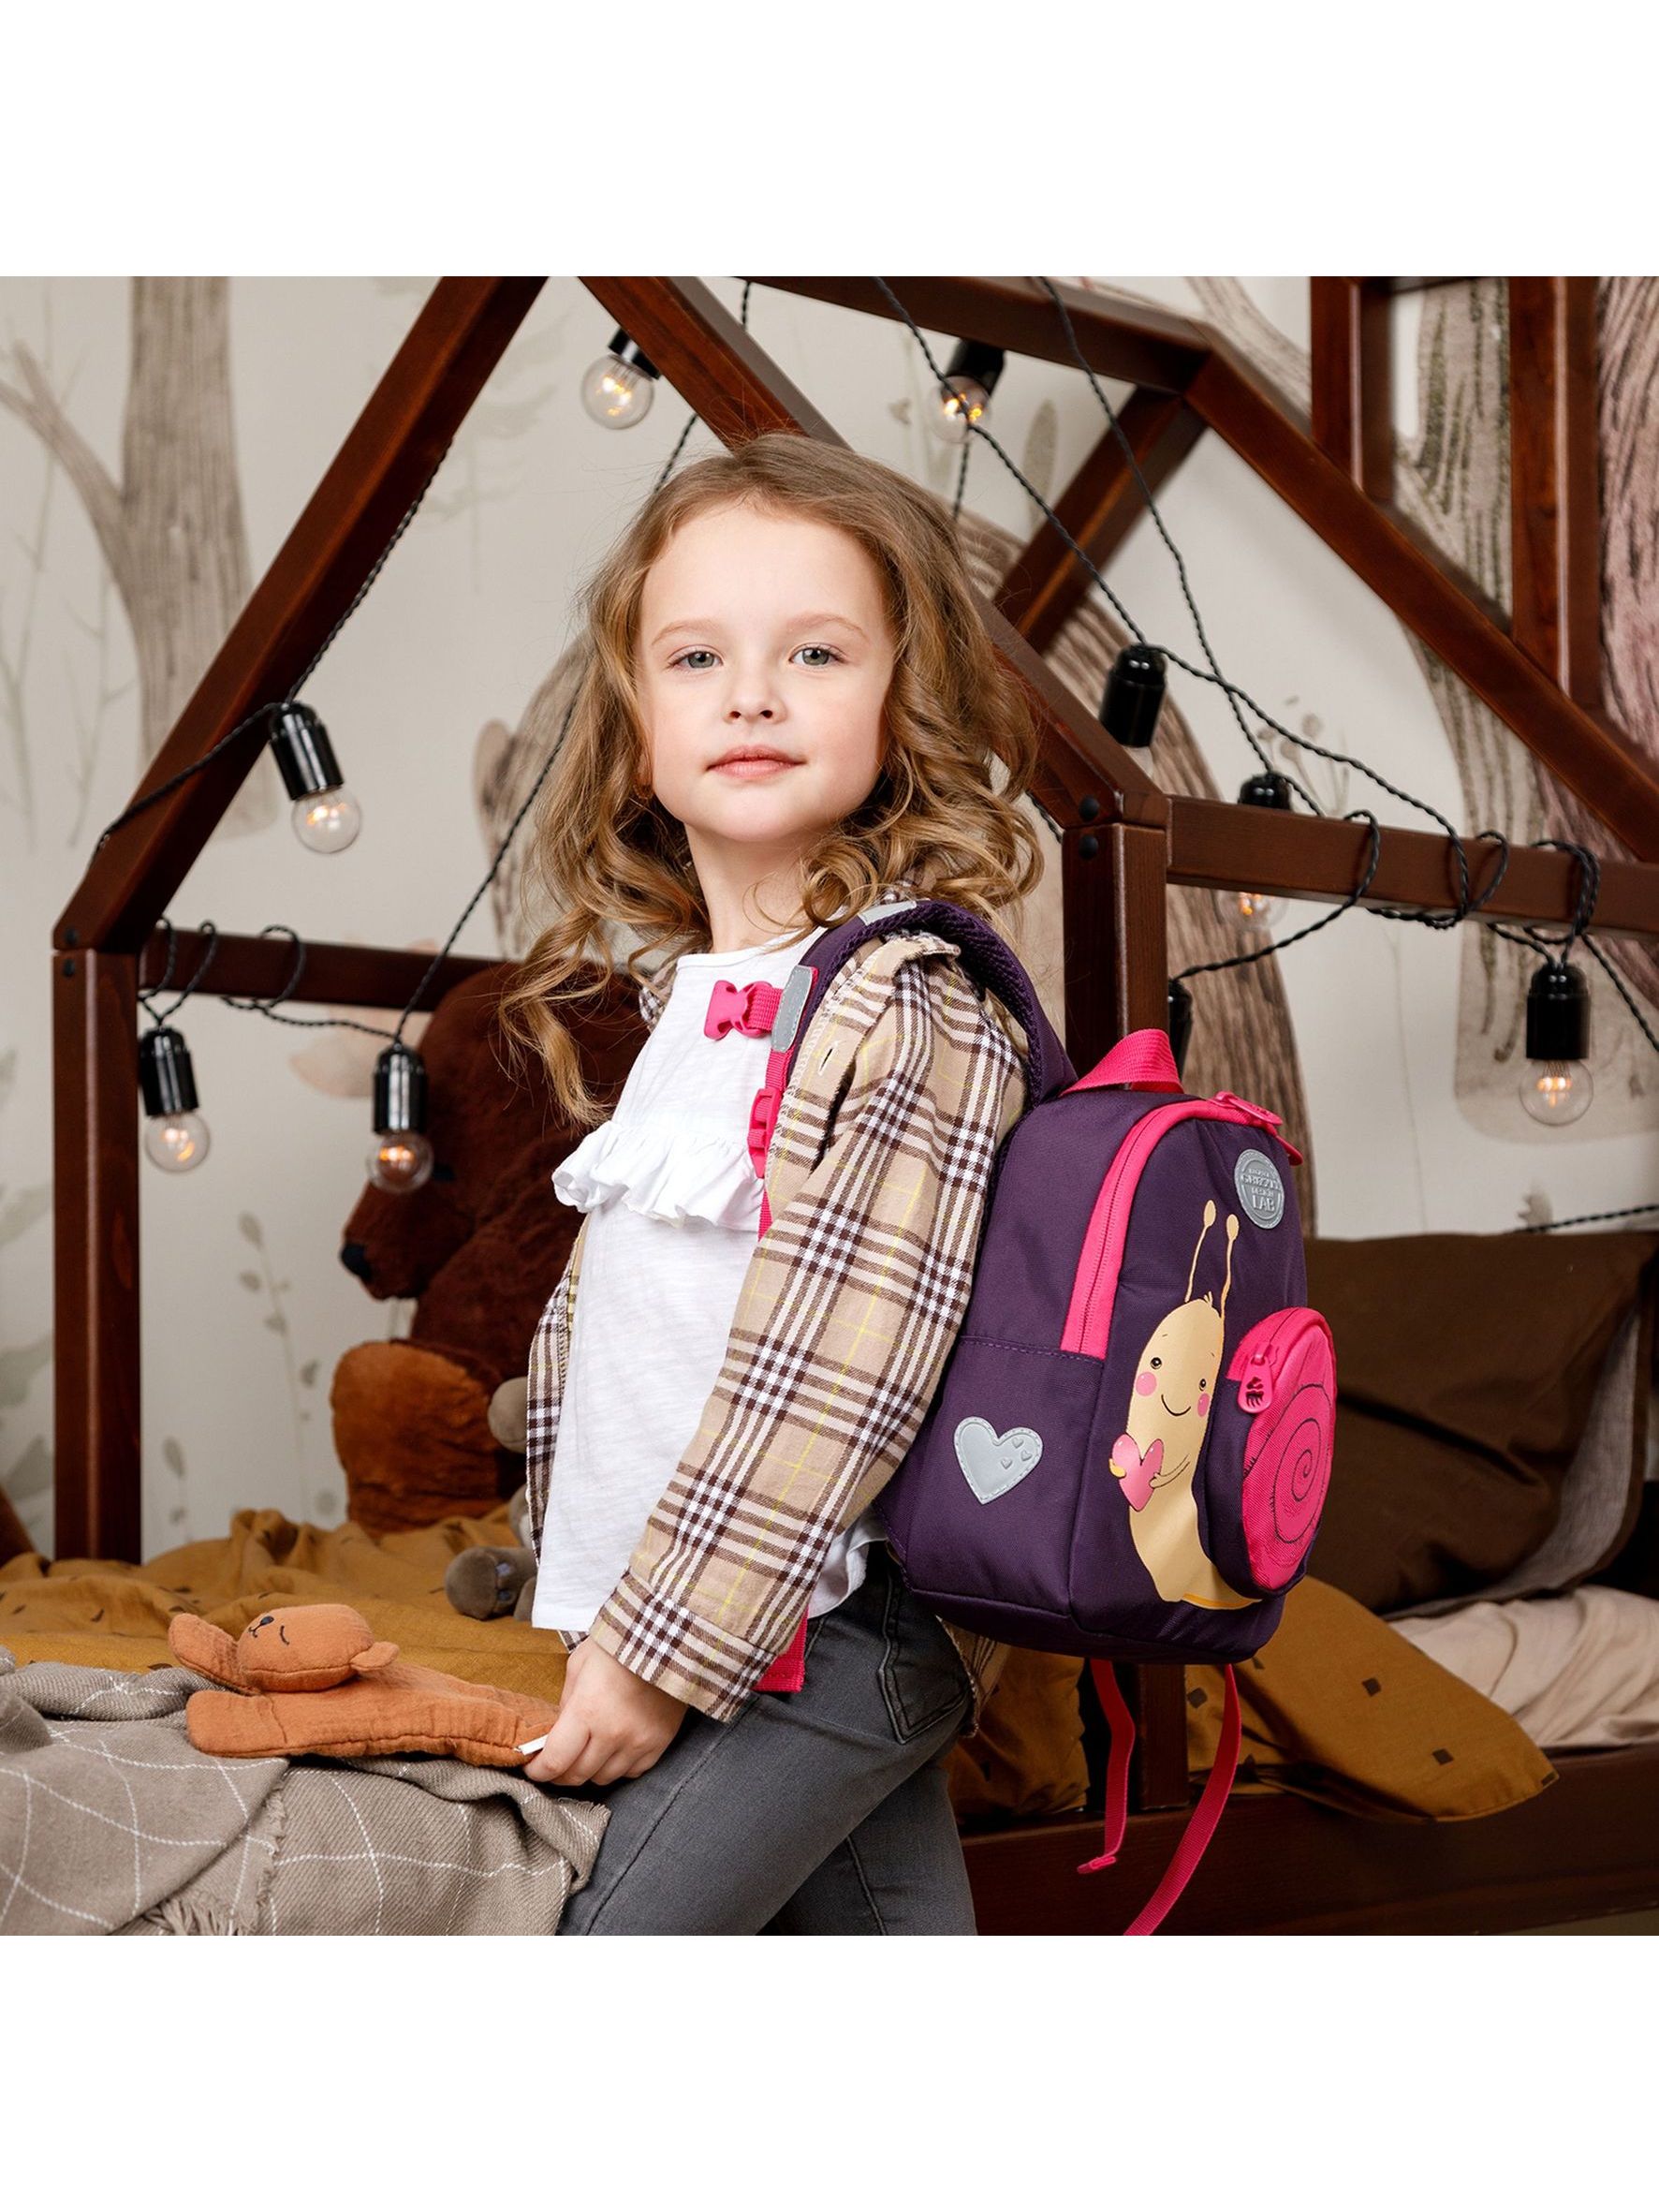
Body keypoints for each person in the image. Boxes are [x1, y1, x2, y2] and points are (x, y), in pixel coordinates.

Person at [494, 429, 1045, 1933]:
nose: (751, 693)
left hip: (814, 1629)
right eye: (695, 657)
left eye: (815, 651)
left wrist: (650, 1655)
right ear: (638, 728)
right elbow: (639, 1311)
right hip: (717, 1609)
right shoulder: (698, 1002)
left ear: (903, 705)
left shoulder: (908, 999)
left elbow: (843, 1373)